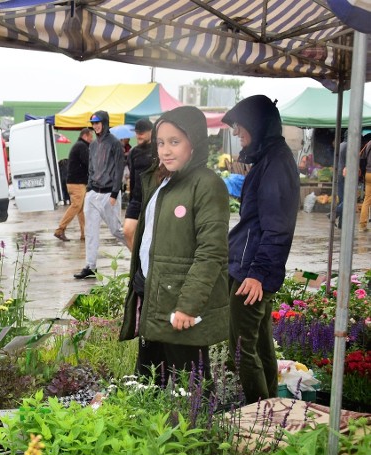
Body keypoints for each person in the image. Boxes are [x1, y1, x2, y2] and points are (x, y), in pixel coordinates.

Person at [120, 106, 229, 383]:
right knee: (147, 384)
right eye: (160, 142)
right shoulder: (162, 181)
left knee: (191, 388)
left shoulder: (206, 185)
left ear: (195, 142)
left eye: (174, 142)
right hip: (153, 296)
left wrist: (188, 305)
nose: (165, 150)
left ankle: (203, 425)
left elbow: (211, 251)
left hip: (179, 306)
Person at [222, 95, 299, 403]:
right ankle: (272, 409)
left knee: (240, 350)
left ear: (259, 125)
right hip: (249, 268)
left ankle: (258, 413)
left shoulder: (276, 163)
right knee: (261, 346)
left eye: (242, 129)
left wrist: (257, 274)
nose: (239, 136)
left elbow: (277, 227)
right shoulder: (270, 157)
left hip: (252, 273)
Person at [74, 110, 127, 279]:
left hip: (109, 194)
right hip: (93, 193)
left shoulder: (115, 144)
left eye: (98, 123)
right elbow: (91, 168)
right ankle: (90, 265)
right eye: (93, 123)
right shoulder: (93, 145)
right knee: (90, 230)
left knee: (117, 230)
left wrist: (114, 193)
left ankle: (138, 252)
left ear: (104, 123)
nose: (95, 126)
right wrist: (89, 188)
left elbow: (119, 169)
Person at [54, 127, 92, 242]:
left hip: (77, 182)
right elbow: (89, 162)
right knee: (76, 206)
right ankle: (60, 229)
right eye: (91, 136)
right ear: (85, 136)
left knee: (81, 208)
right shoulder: (82, 146)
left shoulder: (80, 146)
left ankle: (84, 233)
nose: (92, 139)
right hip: (77, 183)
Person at [122, 118, 154, 249]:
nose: (138, 135)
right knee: (127, 231)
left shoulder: (159, 149)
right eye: (137, 132)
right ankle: (138, 263)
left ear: (151, 132)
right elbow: (133, 177)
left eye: (142, 132)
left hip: (153, 198)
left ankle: (146, 265)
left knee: (150, 236)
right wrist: (131, 200)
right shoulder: (134, 152)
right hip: (137, 199)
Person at [358, 138, 371, 232]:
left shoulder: (368, 144)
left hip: (368, 173)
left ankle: (362, 225)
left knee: (367, 199)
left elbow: (362, 158)